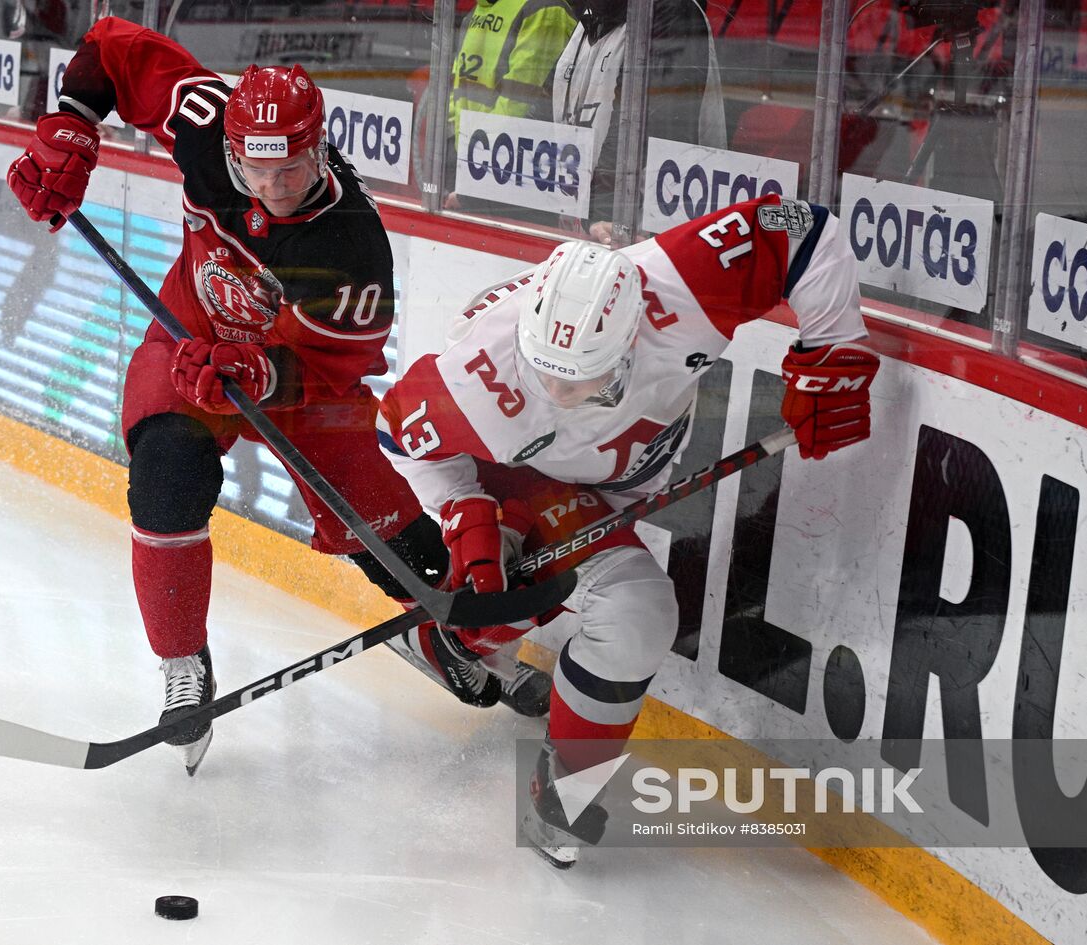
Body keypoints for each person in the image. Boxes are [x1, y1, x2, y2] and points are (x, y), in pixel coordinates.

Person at [5, 17, 543, 776]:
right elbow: (111, 50)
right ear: (229, 149)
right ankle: (183, 661)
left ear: (319, 149)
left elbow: (331, 369)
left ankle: (439, 628)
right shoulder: (201, 120)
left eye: (291, 171)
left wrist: (256, 374)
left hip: (297, 384)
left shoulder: (350, 245)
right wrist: (71, 127)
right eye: (255, 172)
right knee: (165, 472)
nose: (273, 188)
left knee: (382, 531)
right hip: (187, 335)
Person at [376, 193, 880, 866]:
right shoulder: (482, 375)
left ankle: (472, 659)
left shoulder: (683, 281)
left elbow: (807, 231)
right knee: (604, 601)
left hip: (606, 487)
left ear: (634, 335)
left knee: (617, 608)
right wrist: (469, 520)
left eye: (581, 379)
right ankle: (467, 644)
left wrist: (833, 357)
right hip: (515, 476)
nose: (557, 391)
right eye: (545, 372)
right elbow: (401, 431)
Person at [553, 0, 728, 246]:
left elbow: (645, 126)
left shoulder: (670, 11)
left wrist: (603, 212)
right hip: (585, 230)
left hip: (643, 237)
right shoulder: (591, 17)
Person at [438, 0, 578, 210]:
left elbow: (518, 102)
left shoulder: (543, 8)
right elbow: (457, 88)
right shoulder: (479, 10)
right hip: (480, 165)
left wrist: (476, 170)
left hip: (517, 173)